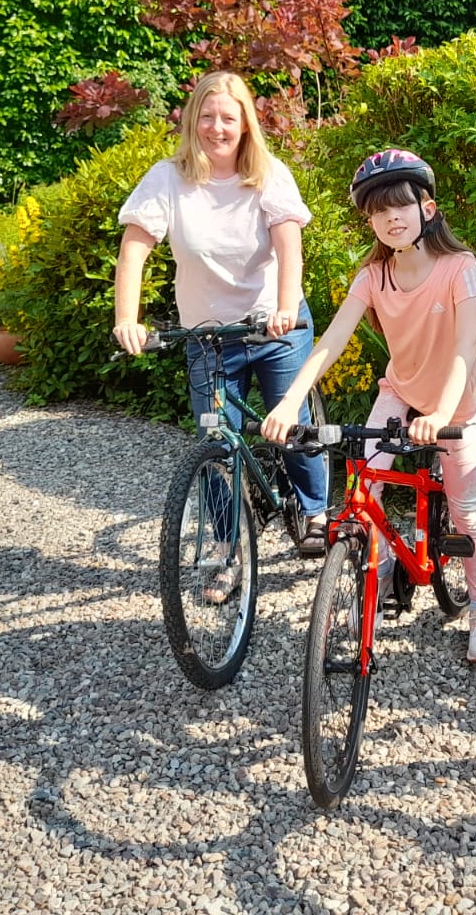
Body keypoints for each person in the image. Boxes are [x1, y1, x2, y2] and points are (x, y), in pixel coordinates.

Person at [262, 149, 476, 664]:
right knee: (362, 491)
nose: (391, 217)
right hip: (399, 392)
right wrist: (291, 400)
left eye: (401, 205)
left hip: (454, 404)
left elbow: (465, 350)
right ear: (369, 220)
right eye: (378, 210)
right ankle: (385, 559)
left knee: (464, 513)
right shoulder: (372, 277)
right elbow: (329, 343)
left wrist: (440, 414)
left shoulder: (459, 269)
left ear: (428, 209)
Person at [112, 70, 331, 585]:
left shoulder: (269, 175)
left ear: (245, 124)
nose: (216, 127)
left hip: (275, 327)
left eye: (228, 118)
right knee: (216, 441)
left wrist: (282, 309)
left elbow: (288, 247)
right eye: (206, 116)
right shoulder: (169, 178)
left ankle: (316, 511)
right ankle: (227, 545)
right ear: (192, 121)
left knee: (290, 423)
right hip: (210, 335)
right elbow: (134, 250)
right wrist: (127, 318)